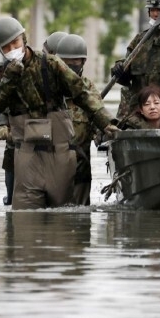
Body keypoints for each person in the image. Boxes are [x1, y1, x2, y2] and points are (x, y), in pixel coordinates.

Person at [0, 17, 119, 210]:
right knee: (25, 216)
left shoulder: (50, 64)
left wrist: (106, 122)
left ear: (24, 39)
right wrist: (9, 79)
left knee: (63, 214)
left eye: (15, 43)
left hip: (59, 151)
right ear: (1, 50)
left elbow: (82, 92)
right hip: (26, 152)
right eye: (6, 47)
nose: (12, 48)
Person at [55, 33, 104, 206]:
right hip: (51, 168)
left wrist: (103, 135)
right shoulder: (49, 88)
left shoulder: (89, 89)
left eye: (75, 63)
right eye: (66, 64)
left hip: (80, 170)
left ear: (83, 63)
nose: (71, 68)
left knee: (80, 221)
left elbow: (100, 119)